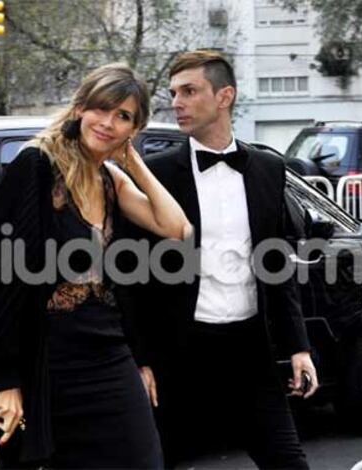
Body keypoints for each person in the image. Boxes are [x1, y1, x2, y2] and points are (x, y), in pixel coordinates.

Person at [0, 63, 191, 468]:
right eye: (100, 109)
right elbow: (0, 275)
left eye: (123, 116)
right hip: (50, 358)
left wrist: (133, 162)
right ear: (79, 109)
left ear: (133, 128)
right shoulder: (37, 165)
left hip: (108, 353)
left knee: (144, 460)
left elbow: (177, 228)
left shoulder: (110, 179)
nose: (107, 123)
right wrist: (6, 380)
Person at [128, 50, 320, 469]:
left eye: (189, 91)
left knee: (288, 461)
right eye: (173, 92)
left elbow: (278, 266)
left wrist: (298, 347)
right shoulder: (156, 173)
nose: (176, 102)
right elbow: (132, 277)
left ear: (225, 96)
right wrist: (140, 358)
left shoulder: (269, 169)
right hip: (178, 352)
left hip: (250, 348)